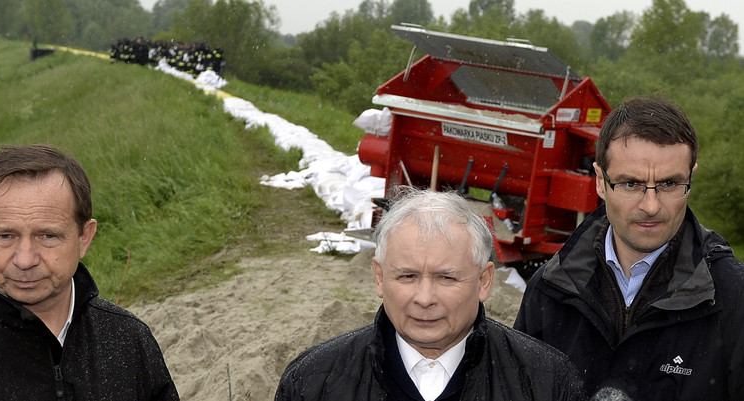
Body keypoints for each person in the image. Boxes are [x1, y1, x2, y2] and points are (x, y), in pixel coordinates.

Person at [514, 97, 744, 400]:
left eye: (669, 184)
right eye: (630, 184)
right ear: (600, 181)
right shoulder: (550, 288)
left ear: (690, 179)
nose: (651, 206)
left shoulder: (732, 295)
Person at [276, 189, 584, 401]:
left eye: (446, 278)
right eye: (407, 276)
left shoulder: (547, 382)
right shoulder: (313, 382)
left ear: (484, 281)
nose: (424, 298)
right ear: (380, 277)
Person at [0, 145, 179, 400]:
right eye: (5, 236)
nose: (25, 260)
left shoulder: (129, 341)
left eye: (48, 236)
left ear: (84, 237)